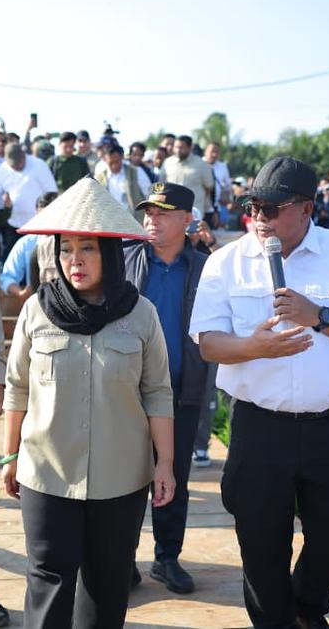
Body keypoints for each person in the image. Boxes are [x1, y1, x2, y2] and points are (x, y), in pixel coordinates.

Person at [189, 156, 329, 629]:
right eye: (253, 206)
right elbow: (208, 343)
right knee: (260, 545)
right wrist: (254, 346)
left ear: (305, 208)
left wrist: (319, 316)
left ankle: (305, 605)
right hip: (260, 429)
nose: (259, 217)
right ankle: (277, 621)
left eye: (271, 207)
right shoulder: (226, 262)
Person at [3, 177, 175, 629]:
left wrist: (166, 463)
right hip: (45, 471)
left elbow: (158, 390)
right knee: (48, 577)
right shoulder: (37, 311)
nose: (74, 261)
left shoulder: (141, 314)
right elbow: (17, 385)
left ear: (110, 253)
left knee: (107, 579)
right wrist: (9, 455)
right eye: (65, 250)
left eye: (87, 249)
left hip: (121, 476)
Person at [121, 182, 214, 594]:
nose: (151, 220)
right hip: (126, 391)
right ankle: (121, 559)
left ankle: (166, 558)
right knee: (122, 480)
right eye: (147, 213)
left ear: (187, 219)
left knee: (173, 477)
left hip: (181, 388)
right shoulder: (124, 260)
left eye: (162, 213)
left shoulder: (206, 267)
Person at [0, 144, 57, 263]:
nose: (17, 167)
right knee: (11, 262)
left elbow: (52, 193)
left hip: (37, 227)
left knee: (36, 262)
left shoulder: (39, 165)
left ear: (24, 155)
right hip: (13, 226)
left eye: (19, 163)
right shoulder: (4, 169)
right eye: (13, 165)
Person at [159, 136, 215, 226]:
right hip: (171, 213)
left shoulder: (201, 164)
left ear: (190, 148)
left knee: (193, 239)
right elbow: (161, 185)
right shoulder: (167, 163)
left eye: (181, 148)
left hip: (193, 214)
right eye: (176, 147)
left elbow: (209, 187)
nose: (178, 150)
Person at [94, 143, 149, 219]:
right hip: (110, 221)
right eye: (111, 163)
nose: (114, 166)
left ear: (122, 157)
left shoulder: (136, 172)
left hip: (133, 221)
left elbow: (148, 194)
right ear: (105, 160)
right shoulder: (99, 178)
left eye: (117, 162)